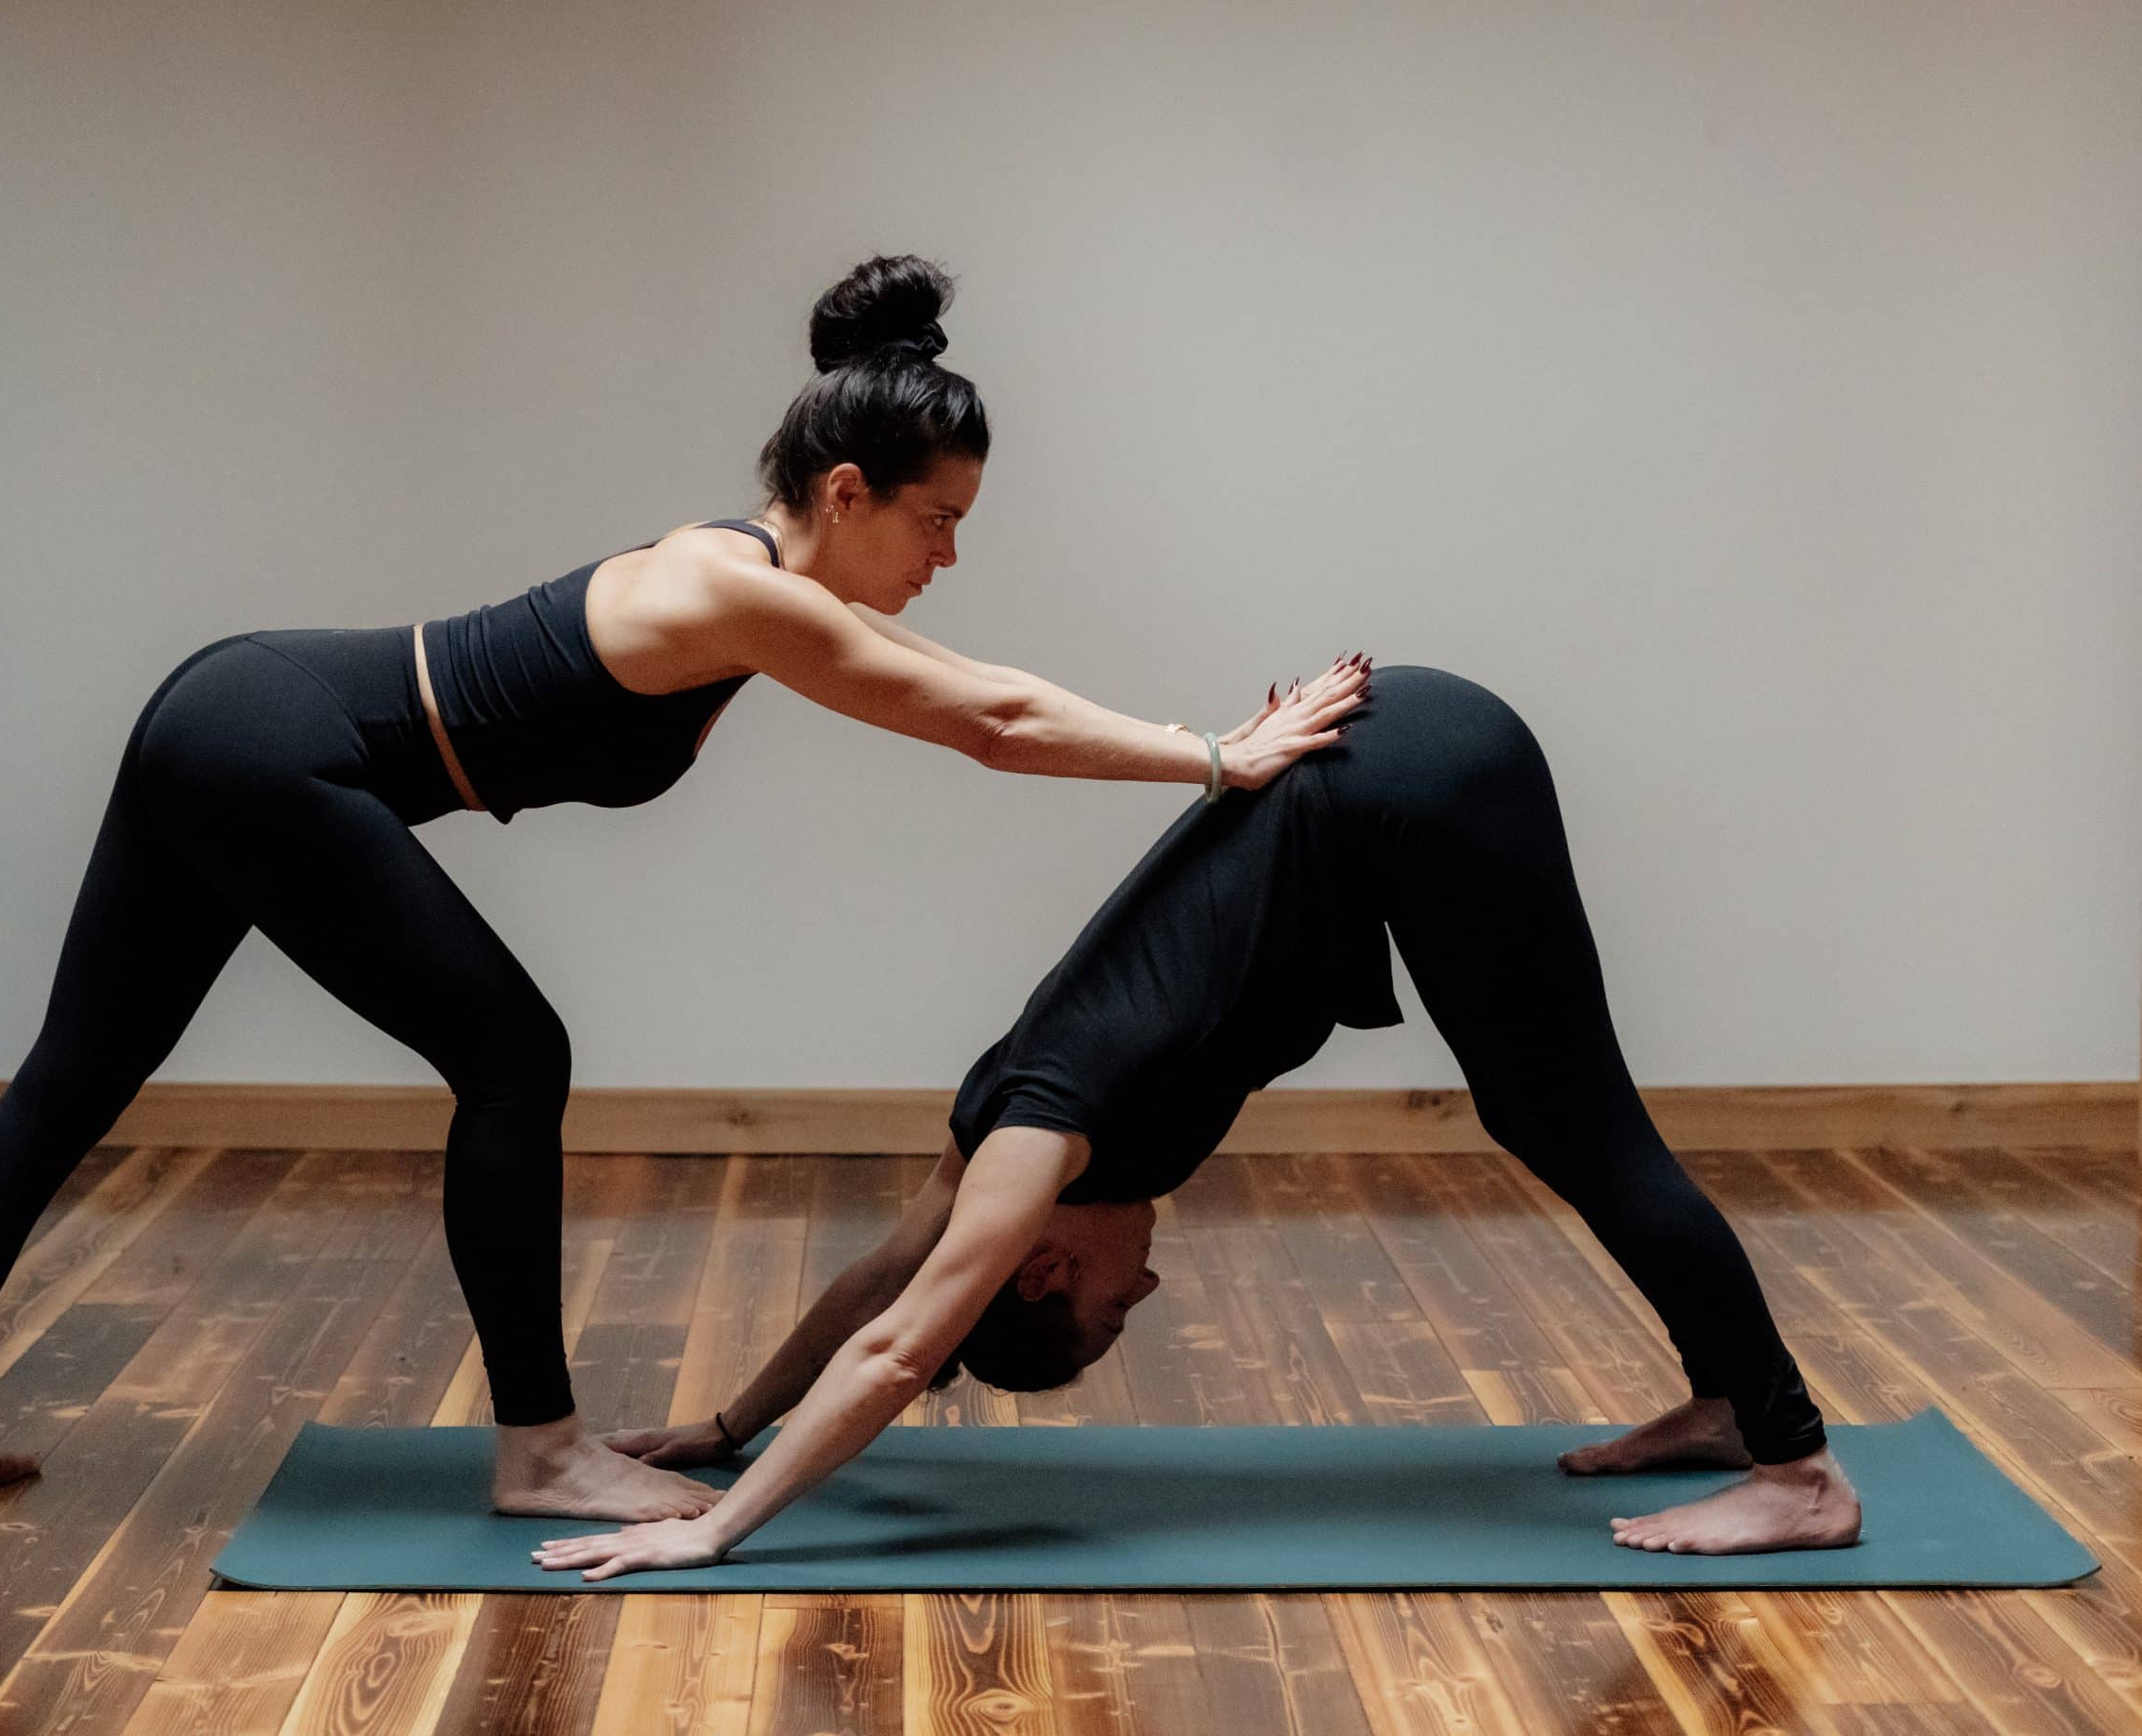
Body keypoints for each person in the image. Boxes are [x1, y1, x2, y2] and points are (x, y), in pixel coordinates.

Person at [0, 253, 1370, 1518]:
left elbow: (971, 681)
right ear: (847, 492)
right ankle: (540, 1450)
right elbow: (990, 724)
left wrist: (1196, 742)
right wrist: (1219, 761)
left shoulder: (759, 586)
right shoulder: (735, 592)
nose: (948, 555)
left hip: (233, 724)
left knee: (75, 1079)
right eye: (938, 521)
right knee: (513, 1052)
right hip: (266, 746)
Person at [535, 662, 1861, 1579]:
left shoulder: (1040, 1145)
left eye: (1114, 1307)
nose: (1150, 1284)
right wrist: (724, 1426)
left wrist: (719, 1527)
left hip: (1421, 775)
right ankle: (1725, 1405)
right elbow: (884, 1279)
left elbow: (893, 1348)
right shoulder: (1000, 1137)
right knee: (1540, 1114)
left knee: (1576, 1127)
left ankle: (1799, 1474)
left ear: (1043, 1265)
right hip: (1383, 768)